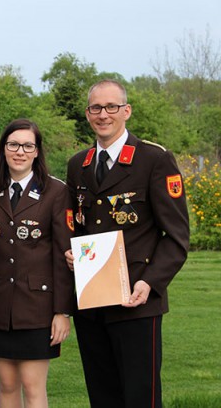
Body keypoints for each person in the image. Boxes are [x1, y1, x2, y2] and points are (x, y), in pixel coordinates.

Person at [65, 79, 189, 407]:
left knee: (140, 397)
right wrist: (71, 252)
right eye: (95, 108)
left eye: (111, 107)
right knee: (102, 396)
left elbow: (176, 238)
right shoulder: (79, 165)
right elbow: (76, 225)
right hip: (92, 303)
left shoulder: (154, 159)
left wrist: (150, 282)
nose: (103, 115)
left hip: (136, 300)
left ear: (126, 111)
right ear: (88, 114)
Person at [0, 119, 74, 408]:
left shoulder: (56, 192)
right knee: (7, 385)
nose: (19, 151)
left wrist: (62, 311)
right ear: (3, 149)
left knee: (33, 387)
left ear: (37, 151)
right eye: (13, 145)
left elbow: (64, 255)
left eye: (27, 146)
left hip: (37, 307)